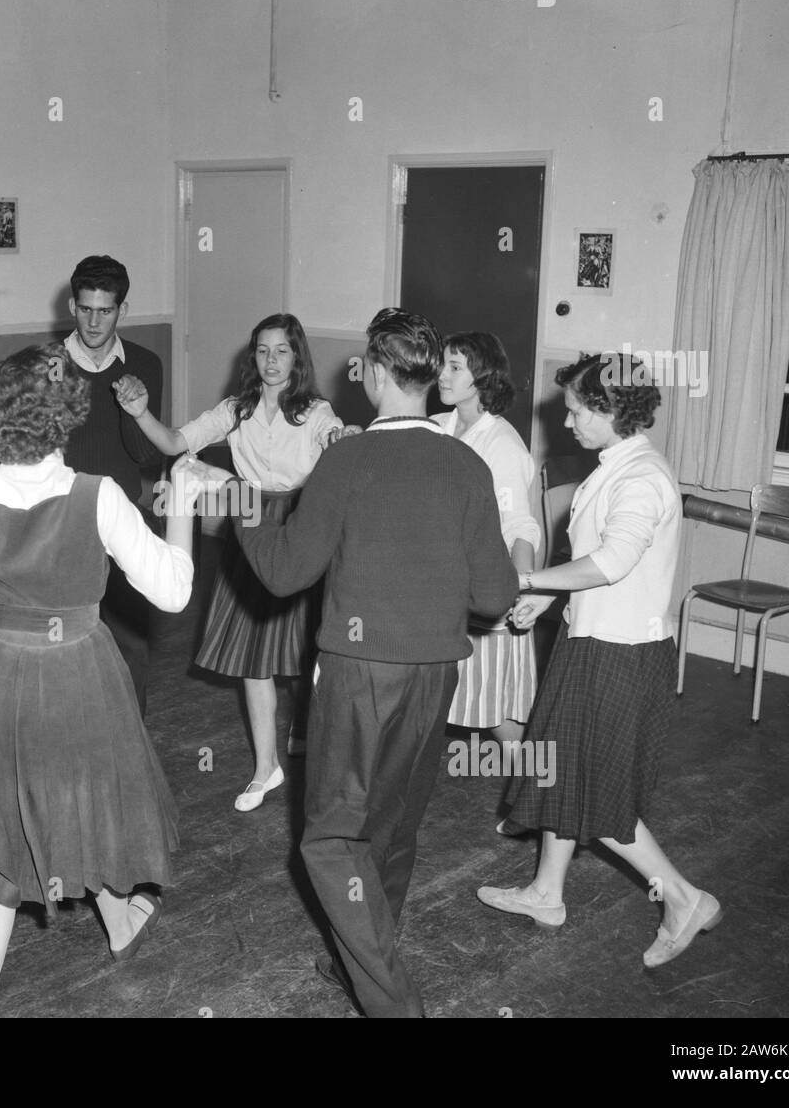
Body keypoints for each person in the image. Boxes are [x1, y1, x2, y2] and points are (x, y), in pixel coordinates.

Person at [187, 308, 517, 1017]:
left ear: (375, 371)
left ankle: (394, 1003)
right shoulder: (466, 463)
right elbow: (495, 594)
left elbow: (283, 574)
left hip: (358, 674)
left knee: (333, 842)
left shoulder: (348, 459)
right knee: (391, 829)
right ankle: (360, 963)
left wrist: (243, 505)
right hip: (436, 676)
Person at [0, 344, 201, 1017]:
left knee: (1, 827)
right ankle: (118, 921)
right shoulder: (95, 495)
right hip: (75, 667)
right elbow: (172, 592)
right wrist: (186, 503)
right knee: (83, 801)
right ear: (66, 418)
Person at [478, 353, 721, 969]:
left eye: (579, 409)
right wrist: (548, 597)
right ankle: (545, 892)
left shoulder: (642, 477)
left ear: (612, 409)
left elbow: (613, 563)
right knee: (559, 768)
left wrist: (530, 578)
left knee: (603, 797)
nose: (568, 420)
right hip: (591, 643)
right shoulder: (615, 465)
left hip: (621, 656)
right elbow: (596, 565)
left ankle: (685, 898)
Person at [116, 313, 356, 810]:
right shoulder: (236, 409)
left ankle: (308, 734)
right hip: (248, 519)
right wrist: (140, 413)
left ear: (297, 356)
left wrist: (341, 438)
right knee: (254, 654)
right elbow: (176, 444)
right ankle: (265, 768)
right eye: (263, 351)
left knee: (309, 647)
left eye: (281, 351)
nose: (271, 361)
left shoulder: (315, 412)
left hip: (301, 523)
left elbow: (335, 440)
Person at [433, 332, 540, 833]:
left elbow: (520, 527)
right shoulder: (437, 427)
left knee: (497, 711)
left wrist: (518, 589)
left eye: (455, 367)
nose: (443, 375)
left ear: (482, 378)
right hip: (437, 585)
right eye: (443, 365)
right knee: (432, 691)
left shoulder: (502, 444)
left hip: (483, 586)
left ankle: (537, 799)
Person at [60, 255, 166, 715]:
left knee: (130, 646)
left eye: (105, 311)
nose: (94, 321)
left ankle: (131, 746)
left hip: (124, 519)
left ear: (123, 310)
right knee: (64, 647)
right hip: (64, 520)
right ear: (71, 306)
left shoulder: (144, 363)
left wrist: (132, 410)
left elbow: (146, 456)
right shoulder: (49, 365)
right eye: (86, 309)